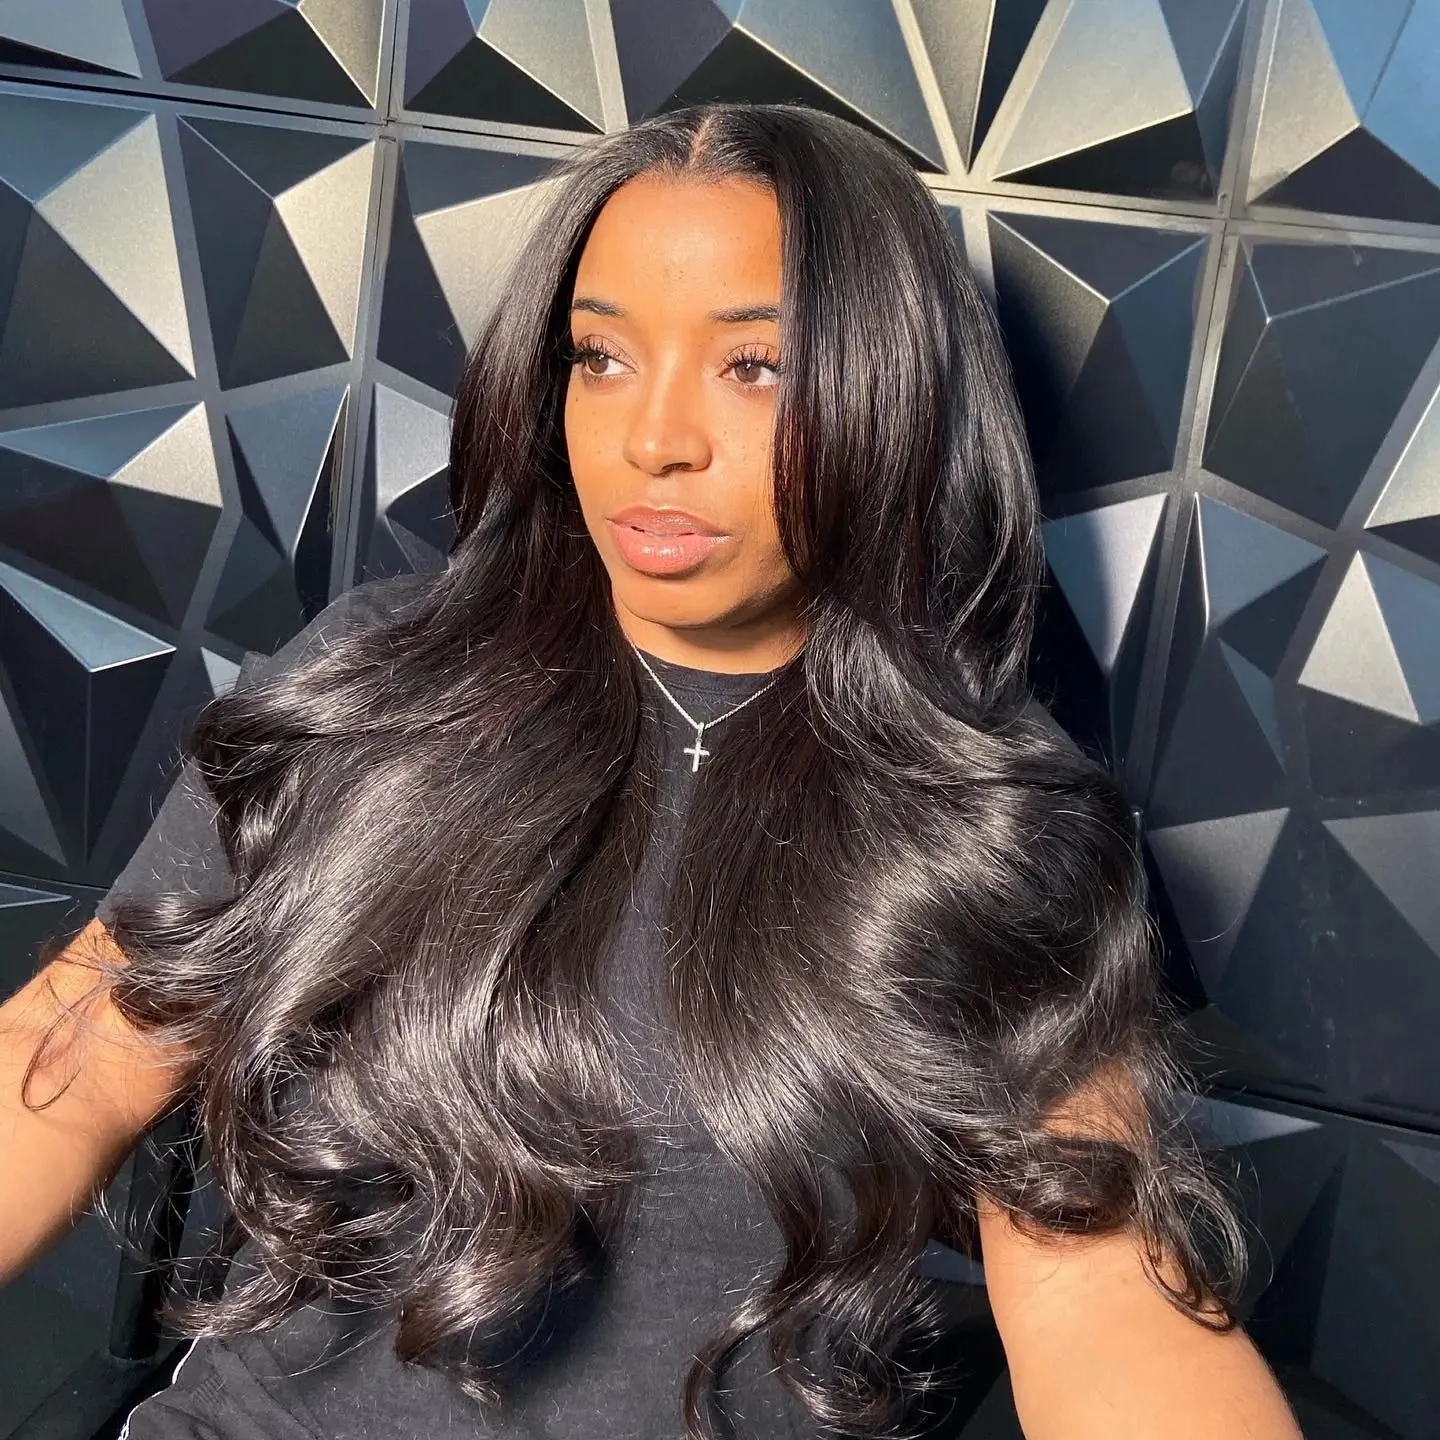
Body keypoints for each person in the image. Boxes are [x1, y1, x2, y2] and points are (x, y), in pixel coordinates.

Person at [0, 102, 1302, 1439]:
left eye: (756, 367)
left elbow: (1102, 1295)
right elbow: (74, 1059)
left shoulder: (989, 822)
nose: (655, 437)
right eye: (603, 356)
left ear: (886, 389)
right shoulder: (376, 685)